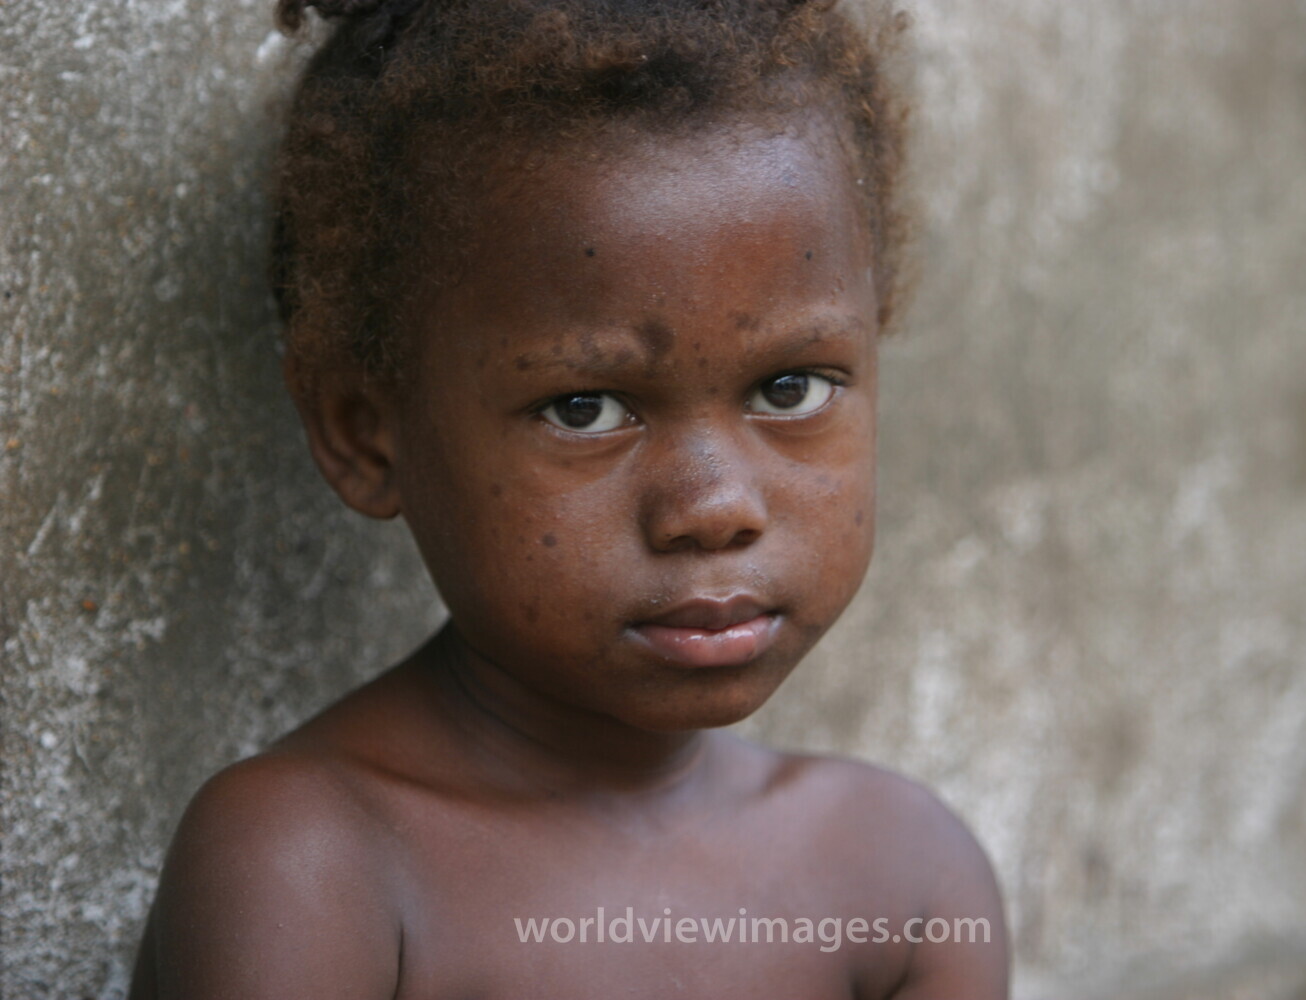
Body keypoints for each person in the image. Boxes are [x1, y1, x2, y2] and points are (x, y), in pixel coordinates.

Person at [129, 0, 1010, 996]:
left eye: (790, 389)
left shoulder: (902, 878)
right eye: (585, 408)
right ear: (364, 433)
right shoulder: (315, 867)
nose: (714, 507)